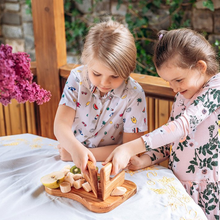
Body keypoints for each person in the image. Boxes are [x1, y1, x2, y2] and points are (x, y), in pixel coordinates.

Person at [104, 28, 220, 219]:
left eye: (178, 80)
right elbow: (169, 144)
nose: (174, 88)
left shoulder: (216, 87)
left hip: (208, 191)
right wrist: (144, 159)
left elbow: (183, 125)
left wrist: (130, 147)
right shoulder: (183, 94)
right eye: (168, 82)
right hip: (178, 187)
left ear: (201, 66)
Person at [54, 20, 148, 175]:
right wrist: (73, 148)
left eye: (115, 76)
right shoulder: (77, 78)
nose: (104, 83)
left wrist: (73, 154)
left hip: (111, 166)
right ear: (87, 63)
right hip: (71, 161)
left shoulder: (134, 94)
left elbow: (130, 148)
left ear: (128, 70)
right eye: (96, 74)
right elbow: (60, 125)